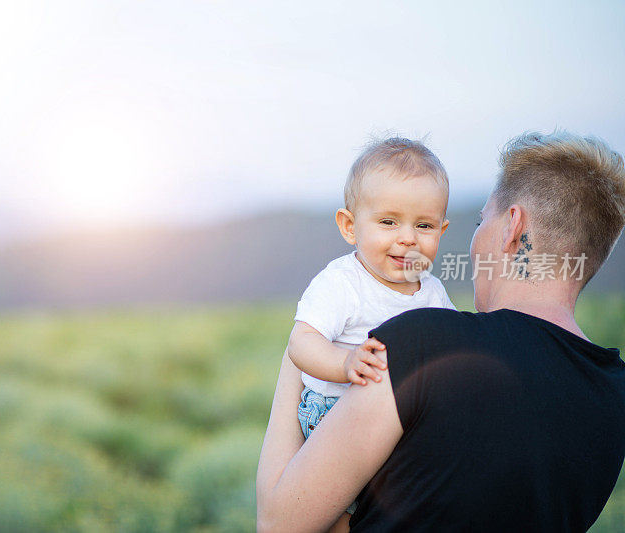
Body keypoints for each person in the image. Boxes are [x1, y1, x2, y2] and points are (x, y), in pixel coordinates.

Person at [256, 130, 625, 532]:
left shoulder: (423, 343)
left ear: (512, 228)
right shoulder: (614, 397)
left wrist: (304, 347)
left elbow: (280, 525)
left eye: (483, 219)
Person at [286, 137, 454, 524]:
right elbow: (301, 342)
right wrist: (345, 363)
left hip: (396, 416)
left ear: (440, 232)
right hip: (333, 411)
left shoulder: (431, 290)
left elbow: (449, 343)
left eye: (424, 225)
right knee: (340, 514)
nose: (408, 237)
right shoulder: (343, 283)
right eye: (388, 222)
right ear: (350, 226)